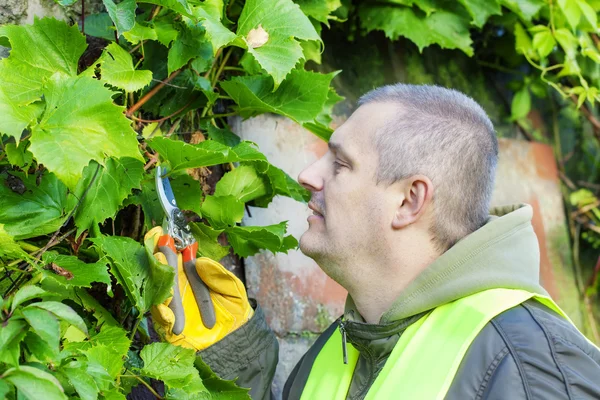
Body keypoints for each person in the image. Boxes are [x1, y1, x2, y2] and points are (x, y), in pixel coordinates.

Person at [147, 84, 600, 399]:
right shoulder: (344, 346)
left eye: (340, 165)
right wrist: (232, 359)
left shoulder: (535, 370)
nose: (308, 176)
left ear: (408, 201)